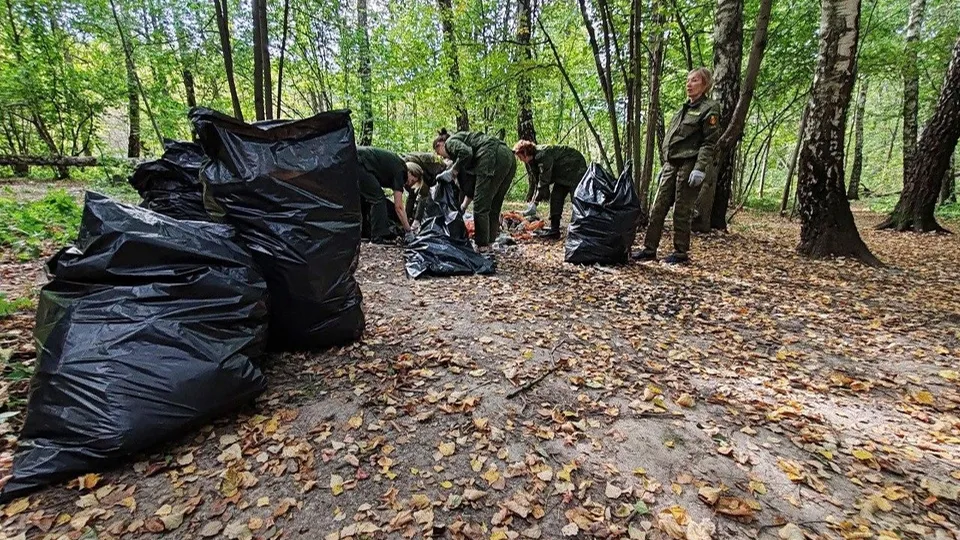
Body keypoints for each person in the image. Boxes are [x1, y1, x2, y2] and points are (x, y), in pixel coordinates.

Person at [632, 67, 720, 264]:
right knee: (658, 207)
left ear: (705, 85)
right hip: (671, 163)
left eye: (694, 80)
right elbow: (673, 139)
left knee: (682, 209)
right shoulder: (682, 110)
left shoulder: (709, 109)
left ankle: (680, 252)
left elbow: (709, 142)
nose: (689, 84)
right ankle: (649, 249)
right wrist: (665, 164)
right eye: (688, 80)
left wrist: (699, 168)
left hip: (689, 164)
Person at [433, 128, 517, 251]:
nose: (441, 156)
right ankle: (490, 242)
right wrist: (463, 206)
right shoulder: (466, 140)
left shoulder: (450, 142)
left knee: (480, 206)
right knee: (494, 204)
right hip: (508, 155)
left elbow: (466, 152)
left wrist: (453, 171)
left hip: (490, 155)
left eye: (438, 153)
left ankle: (482, 246)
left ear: (439, 144)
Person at [512, 140, 587, 240]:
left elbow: (544, 180)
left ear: (525, 153)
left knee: (577, 201)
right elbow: (537, 182)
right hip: (561, 174)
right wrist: (533, 202)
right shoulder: (532, 161)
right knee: (556, 198)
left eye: (520, 157)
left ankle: (582, 231)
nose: (520, 160)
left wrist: (535, 202)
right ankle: (554, 230)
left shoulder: (543, 155)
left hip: (575, 167)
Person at [357, 146, 417, 244]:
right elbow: (399, 207)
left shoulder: (396, 166)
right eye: (412, 181)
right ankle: (377, 238)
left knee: (366, 198)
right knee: (378, 199)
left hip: (354, 159)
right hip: (360, 162)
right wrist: (408, 230)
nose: (410, 184)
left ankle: (364, 233)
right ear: (410, 172)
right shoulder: (401, 172)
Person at [404, 152, 451, 226]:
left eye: (412, 181)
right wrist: (405, 219)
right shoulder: (403, 171)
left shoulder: (430, 164)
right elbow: (411, 196)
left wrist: (417, 220)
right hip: (421, 170)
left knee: (433, 202)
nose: (410, 183)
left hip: (435, 171)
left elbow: (423, 194)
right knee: (412, 194)